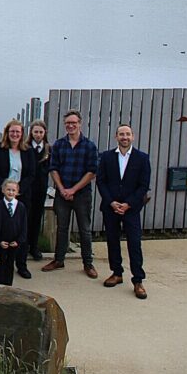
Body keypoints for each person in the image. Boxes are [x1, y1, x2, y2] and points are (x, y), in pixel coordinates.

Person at [96, 124, 152, 300]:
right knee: (112, 241)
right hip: (111, 207)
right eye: (121, 134)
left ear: (133, 137)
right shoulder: (106, 157)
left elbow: (143, 185)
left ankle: (138, 280)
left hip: (131, 209)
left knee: (134, 243)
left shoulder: (142, 158)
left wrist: (128, 204)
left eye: (127, 134)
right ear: (116, 137)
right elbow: (101, 181)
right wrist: (111, 202)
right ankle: (117, 273)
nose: (124, 137)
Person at [43, 109, 100, 278]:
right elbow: (53, 169)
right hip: (62, 193)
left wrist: (73, 190)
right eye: (68, 123)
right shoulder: (59, 145)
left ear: (79, 124)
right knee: (62, 228)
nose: (70, 125)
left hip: (82, 195)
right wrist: (62, 189)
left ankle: (88, 263)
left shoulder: (89, 146)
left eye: (73, 123)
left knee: (85, 229)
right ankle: (58, 260)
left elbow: (92, 171)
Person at [0, 119, 38, 278]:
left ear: (22, 134)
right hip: (1, 195)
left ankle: (21, 264)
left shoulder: (28, 151)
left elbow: (31, 174)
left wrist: (18, 190)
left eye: (18, 132)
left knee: (21, 229)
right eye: (12, 132)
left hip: (22, 196)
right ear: (7, 133)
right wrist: (6, 188)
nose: (15, 134)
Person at [25, 120, 52, 262]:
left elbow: (50, 167)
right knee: (26, 218)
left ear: (44, 133)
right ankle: (24, 246)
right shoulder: (26, 147)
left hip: (41, 188)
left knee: (37, 218)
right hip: (28, 188)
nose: (38, 134)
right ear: (31, 133)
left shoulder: (48, 149)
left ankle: (34, 246)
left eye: (41, 132)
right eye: (35, 132)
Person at [0, 180, 28, 286]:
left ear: (17, 191)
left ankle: (8, 285)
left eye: (13, 190)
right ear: (3, 190)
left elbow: (24, 226)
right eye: (8, 189)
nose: (11, 192)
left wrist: (19, 241)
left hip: (14, 241)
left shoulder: (21, 207)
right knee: (1, 262)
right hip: (2, 241)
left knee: (10, 262)